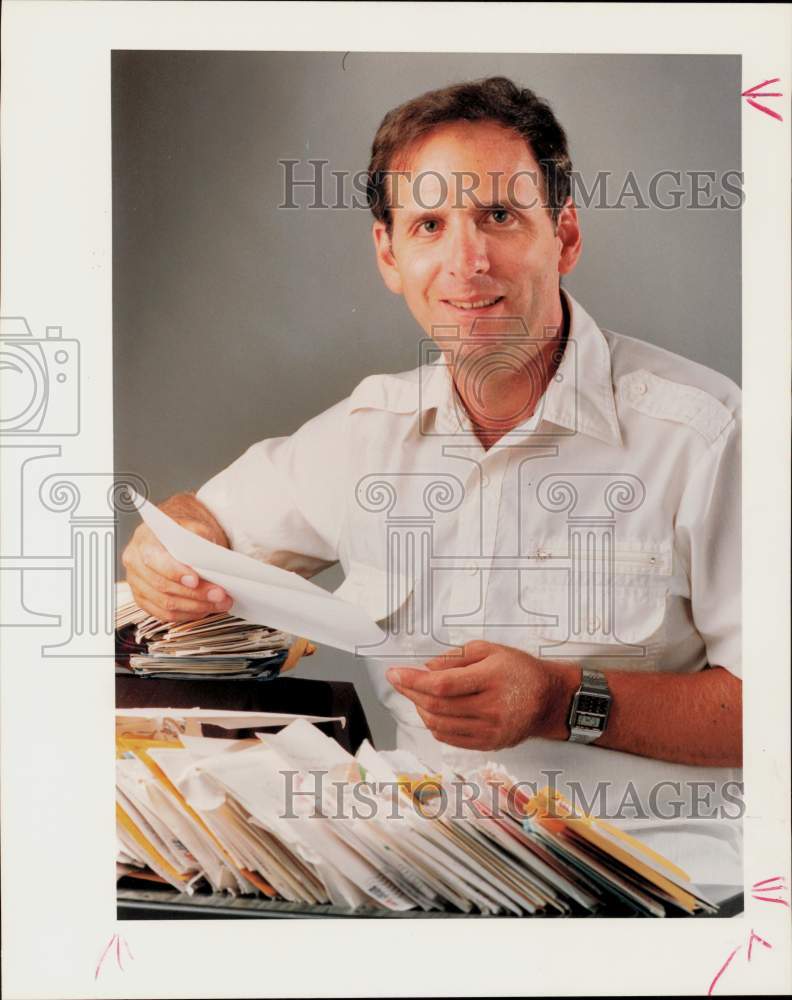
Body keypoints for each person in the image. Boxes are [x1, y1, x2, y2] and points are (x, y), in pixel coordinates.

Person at [122, 77, 742, 886]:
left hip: (670, 887)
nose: (466, 262)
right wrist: (167, 548)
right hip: (431, 879)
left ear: (566, 235)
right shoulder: (366, 432)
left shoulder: (705, 435)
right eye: (428, 224)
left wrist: (559, 699)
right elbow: (198, 519)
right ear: (389, 254)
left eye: (500, 217)